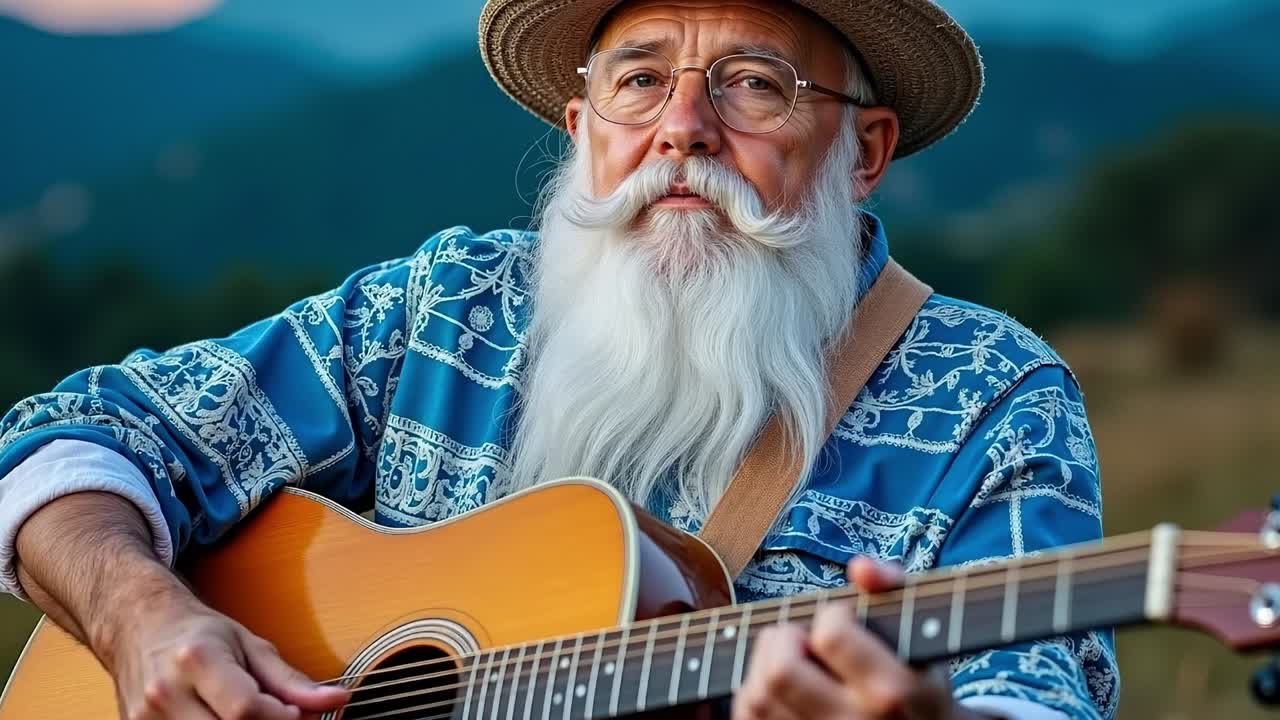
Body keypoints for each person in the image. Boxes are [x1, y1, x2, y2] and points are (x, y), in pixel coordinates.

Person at [0, 0, 1117, 718]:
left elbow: (1033, 697)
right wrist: (138, 613)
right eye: (639, 80)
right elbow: (75, 439)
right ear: (584, 131)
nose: (682, 127)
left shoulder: (989, 399)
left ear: (862, 150)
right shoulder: (446, 309)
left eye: (754, 83)